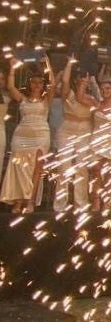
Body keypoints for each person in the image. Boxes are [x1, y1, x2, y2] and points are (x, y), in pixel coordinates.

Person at [0, 56, 55, 212]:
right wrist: (12, 68)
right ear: (29, 84)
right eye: (34, 82)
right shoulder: (22, 99)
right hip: (21, 136)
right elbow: (11, 87)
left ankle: (30, 200)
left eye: (40, 82)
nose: (37, 84)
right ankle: (18, 202)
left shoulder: (46, 100)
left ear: (43, 84)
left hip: (41, 135)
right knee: (19, 168)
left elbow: (53, 85)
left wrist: (47, 65)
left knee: (36, 167)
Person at [53, 57, 97, 211]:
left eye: (84, 77)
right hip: (67, 128)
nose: (81, 79)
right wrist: (69, 64)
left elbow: (85, 100)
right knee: (64, 166)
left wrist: (88, 83)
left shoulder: (91, 98)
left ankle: (81, 203)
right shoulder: (68, 93)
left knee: (81, 167)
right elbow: (65, 81)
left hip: (84, 129)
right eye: (79, 77)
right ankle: (60, 204)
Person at [91, 79, 111, 211]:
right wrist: (85, 82)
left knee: (109, 172)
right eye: (103, 89)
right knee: (96, 170)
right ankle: (96, 199)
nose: (105, 91)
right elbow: (80, 97)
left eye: (108, 88)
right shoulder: (96, 104)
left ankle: (108, 200)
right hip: (98, 139)